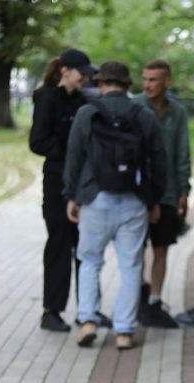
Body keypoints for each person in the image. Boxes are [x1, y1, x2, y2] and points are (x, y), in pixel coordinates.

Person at [64, 61, 168, 350]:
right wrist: (154, 199)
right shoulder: (144, 115)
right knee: (131, 266)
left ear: (101, 84)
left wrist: (72, 196)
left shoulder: (87, 113)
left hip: (95, 199)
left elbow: (74, 157)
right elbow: (159, 162)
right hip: (134, 201)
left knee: (89, 260)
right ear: (128, 84)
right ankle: (124, 331)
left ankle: (87, 320)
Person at [29, 48, 111, 332]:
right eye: (82, 74)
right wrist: (71, 153)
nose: (85, 79)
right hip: (56, 183)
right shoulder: (47, 98)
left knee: (87, 247)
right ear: (65, 70)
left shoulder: (82, 100)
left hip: (82, 184)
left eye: (88, 75)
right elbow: (37, 142)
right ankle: (51, 311)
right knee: (60, 245)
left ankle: (88, 310)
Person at [133, 59, 190, 329]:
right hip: (137, 194)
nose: (147, 85)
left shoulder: (176, 112)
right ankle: (136, 298)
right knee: (135, 250)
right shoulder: (134, 106)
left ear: (167, 81)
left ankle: (155, 300)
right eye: (145, 79)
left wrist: (183, 189)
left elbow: (182, 151)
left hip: (167, 193)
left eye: (153, 79)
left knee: (161, 249)